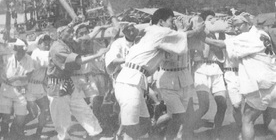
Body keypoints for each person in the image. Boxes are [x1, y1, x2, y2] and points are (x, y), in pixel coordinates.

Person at [114, 8, 203, 140]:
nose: (173, 23)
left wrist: (184, 29)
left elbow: (179, 37)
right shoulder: (159, 31)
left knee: (144, 124)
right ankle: (119, 137)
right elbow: (183, 36)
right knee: (131, 127)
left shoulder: (153, 31)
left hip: (136, 79)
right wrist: (196, 30)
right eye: (171, 21)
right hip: (130, 81)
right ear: (161, 22)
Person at [204, 13, 276, 140]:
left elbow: (220, 44)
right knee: (272, 124)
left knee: (247, 120)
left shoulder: (248, 37)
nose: (236, 28)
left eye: (239, 25)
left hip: (263, 86)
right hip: (273, 82)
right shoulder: (262, 34)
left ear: (248, 24)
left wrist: (199, 36)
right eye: (234, 26)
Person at [47, 25, 107, 140]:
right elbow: (78, 60)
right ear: (60, 34)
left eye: (72, 33)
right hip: (56, 85)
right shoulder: (57, 48)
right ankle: (64, 138)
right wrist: (98, 55)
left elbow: (85, 38)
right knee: (62, 119)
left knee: (84, 109)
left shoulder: (68, 43)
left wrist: (97, 28)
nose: (71, 35)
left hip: (68, 83)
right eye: (68, 33)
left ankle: (96, 134)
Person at [187, 10, 227, 139]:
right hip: (201, 69)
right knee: (204, 106)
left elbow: (220, 51)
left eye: (214, 19)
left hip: (215, 69)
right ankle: (187, 129)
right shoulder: (196, 34)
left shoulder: (217, 34)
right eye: (210, 19)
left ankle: (217, 132)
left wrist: (212, 35)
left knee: (223, 104)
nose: (213, 21)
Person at [0, 39, 37, 139]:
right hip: (6, 89)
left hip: (20, 90)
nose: (18, 53)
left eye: (21, 50)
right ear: (14, 49)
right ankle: (5, 136)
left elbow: (29, 76)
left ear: (24, 50)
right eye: (16, 50)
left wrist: (16, 78)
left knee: (20, 118)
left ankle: (15, 132)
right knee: (5, 117)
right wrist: (2, 77)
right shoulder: (8, 57)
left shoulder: (29, 59)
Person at [27, 34, 52, 138]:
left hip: (39, 86)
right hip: (30, 86)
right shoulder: (37, 53)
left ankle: (38, 133)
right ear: (39, 44)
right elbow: (49, 60)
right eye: (45, 44)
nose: (48, 46)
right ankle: (16, 128)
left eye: (48, 44)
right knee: (33, 114)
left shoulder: (44, 52)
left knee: (45, 110)